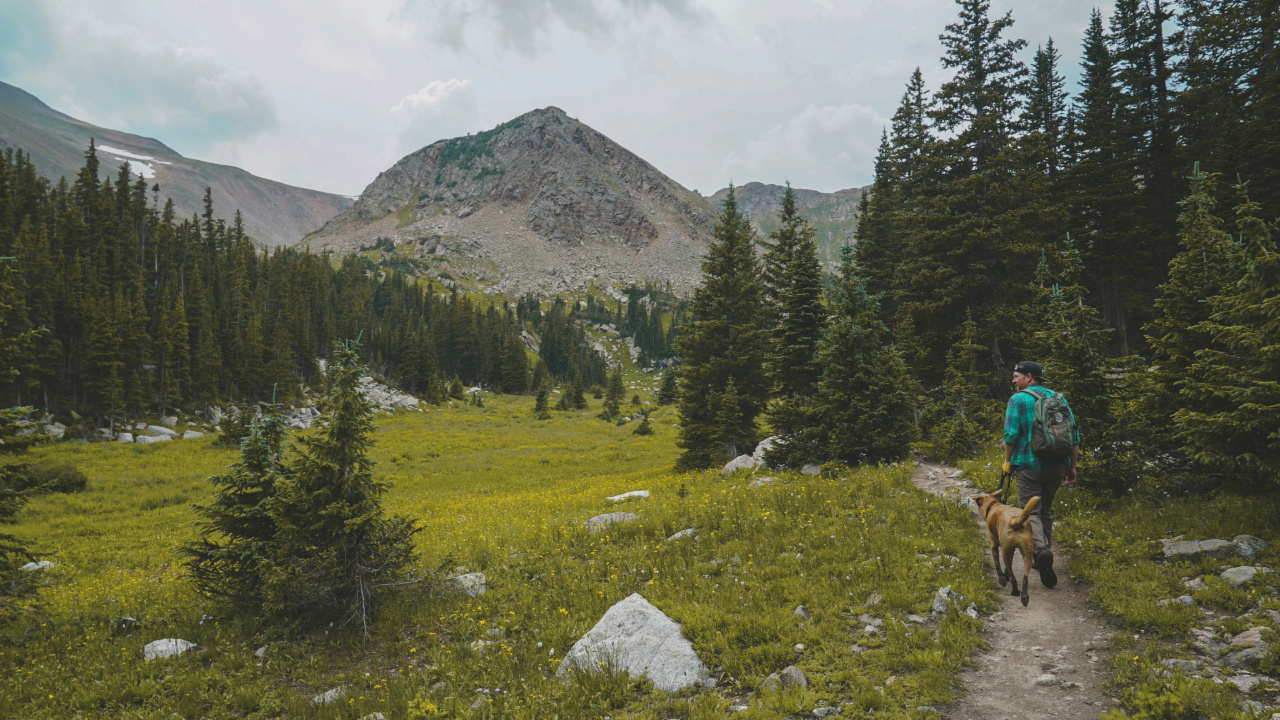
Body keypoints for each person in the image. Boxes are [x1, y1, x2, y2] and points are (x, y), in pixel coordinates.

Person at [1001, 360, 1079, 589]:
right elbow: (1074, 436)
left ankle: (1040, 551)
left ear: (1028, 377)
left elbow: (1011, 434)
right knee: (1046, 509)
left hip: (1028, 465)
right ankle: (1044, 551)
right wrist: (1071, 466)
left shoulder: (1018, 399)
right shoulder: (1058, 398)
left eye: (1016, 377)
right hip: (1057, 464)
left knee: (1031, 511)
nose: (1014, 381)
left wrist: (1007, 461)